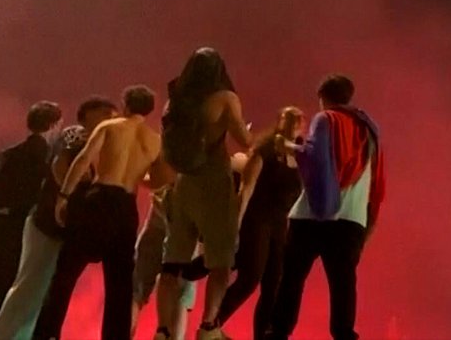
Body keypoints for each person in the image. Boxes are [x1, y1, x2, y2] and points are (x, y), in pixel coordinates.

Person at [32, 85, 173, 340]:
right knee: (120, 285)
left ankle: (47, 335)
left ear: (125, 105)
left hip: (99, 200)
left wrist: (64, 196)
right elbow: (161, 179)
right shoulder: (155, 141)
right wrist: (136, 176)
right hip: (126, 207)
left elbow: (83, 160)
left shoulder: (110, 127)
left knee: (66, 274)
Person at [264, 75, 385, 340]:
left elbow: (314, 158)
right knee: (343, 284)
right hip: (351, 219)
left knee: (292, 279)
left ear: (323, 97)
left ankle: (278, 333)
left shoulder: (326, 119)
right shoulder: (370, 129)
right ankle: (344, 335)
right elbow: (376, 177)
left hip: (312, 216)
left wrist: (287, 145)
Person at [0, 98, 117, 340]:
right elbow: (61, 167)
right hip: (46, 225)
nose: (111, 118)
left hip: (63, 230)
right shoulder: (75, 137)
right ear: (87, 116)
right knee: (29, 288)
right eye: (105, 114)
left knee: (42, 292)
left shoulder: (103, 145)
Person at [155, 48, 251, 340]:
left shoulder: (175, 100)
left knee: (172, 264)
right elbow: (246, 141)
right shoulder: (225, 99)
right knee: (220, 261)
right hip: (214, 184)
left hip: (184, 184)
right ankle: (208, 326)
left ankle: (162, 331)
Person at [0, 102, 63, 340]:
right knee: (22, 288)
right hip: (31, 231)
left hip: (0, 228)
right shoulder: (50, 159)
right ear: (53, 125)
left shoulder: (8, 155)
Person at [217, 107, 305, 338]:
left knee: (273, 286)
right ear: (280, 121)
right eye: (290, 117)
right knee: (250, 278)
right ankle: (212, 324)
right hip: (257, 219)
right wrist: (235, 226)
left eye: (299, 119)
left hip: (280, 225)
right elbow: (246, 190)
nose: (296, 122)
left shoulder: (301, 156)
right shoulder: (264, 152)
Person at [132, 188, 198, 340]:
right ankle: (166, 334)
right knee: (181, 290)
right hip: (191, 209)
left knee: (137, 287)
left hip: (163, 201)